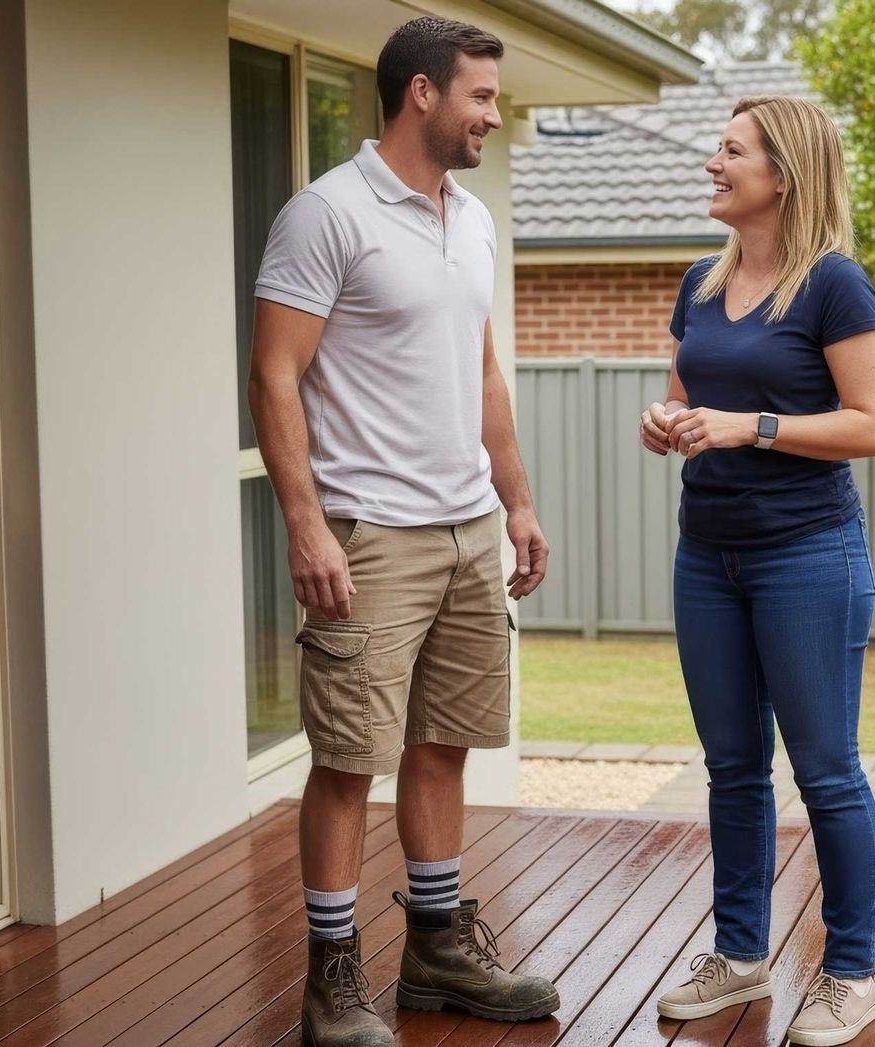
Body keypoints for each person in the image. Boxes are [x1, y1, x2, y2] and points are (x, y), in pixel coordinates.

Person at [249, 17, 556, 1045]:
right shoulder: (327, 214)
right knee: (347, 758)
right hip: (368, 529)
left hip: (467, 525)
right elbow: (274, 374)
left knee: (442, 744)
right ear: (421, 94)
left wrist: (515, 501)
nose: (492, 115)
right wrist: (306, 525)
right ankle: (332, 980)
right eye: (480, 97)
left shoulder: (470, 218)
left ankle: (436, 951)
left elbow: (479, 373)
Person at [639, 95, 875, 1047]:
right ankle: (741, 953)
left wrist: (754, 426)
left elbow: (874, 425)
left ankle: (850, 973)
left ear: (781, 174)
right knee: (732, 767)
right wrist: (665, 421)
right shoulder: (701, 282)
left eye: (731, 150)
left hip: (807, 556)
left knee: (827, 772)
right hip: (707, 554)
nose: (713, 162)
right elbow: (684, 393)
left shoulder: (834, 285)